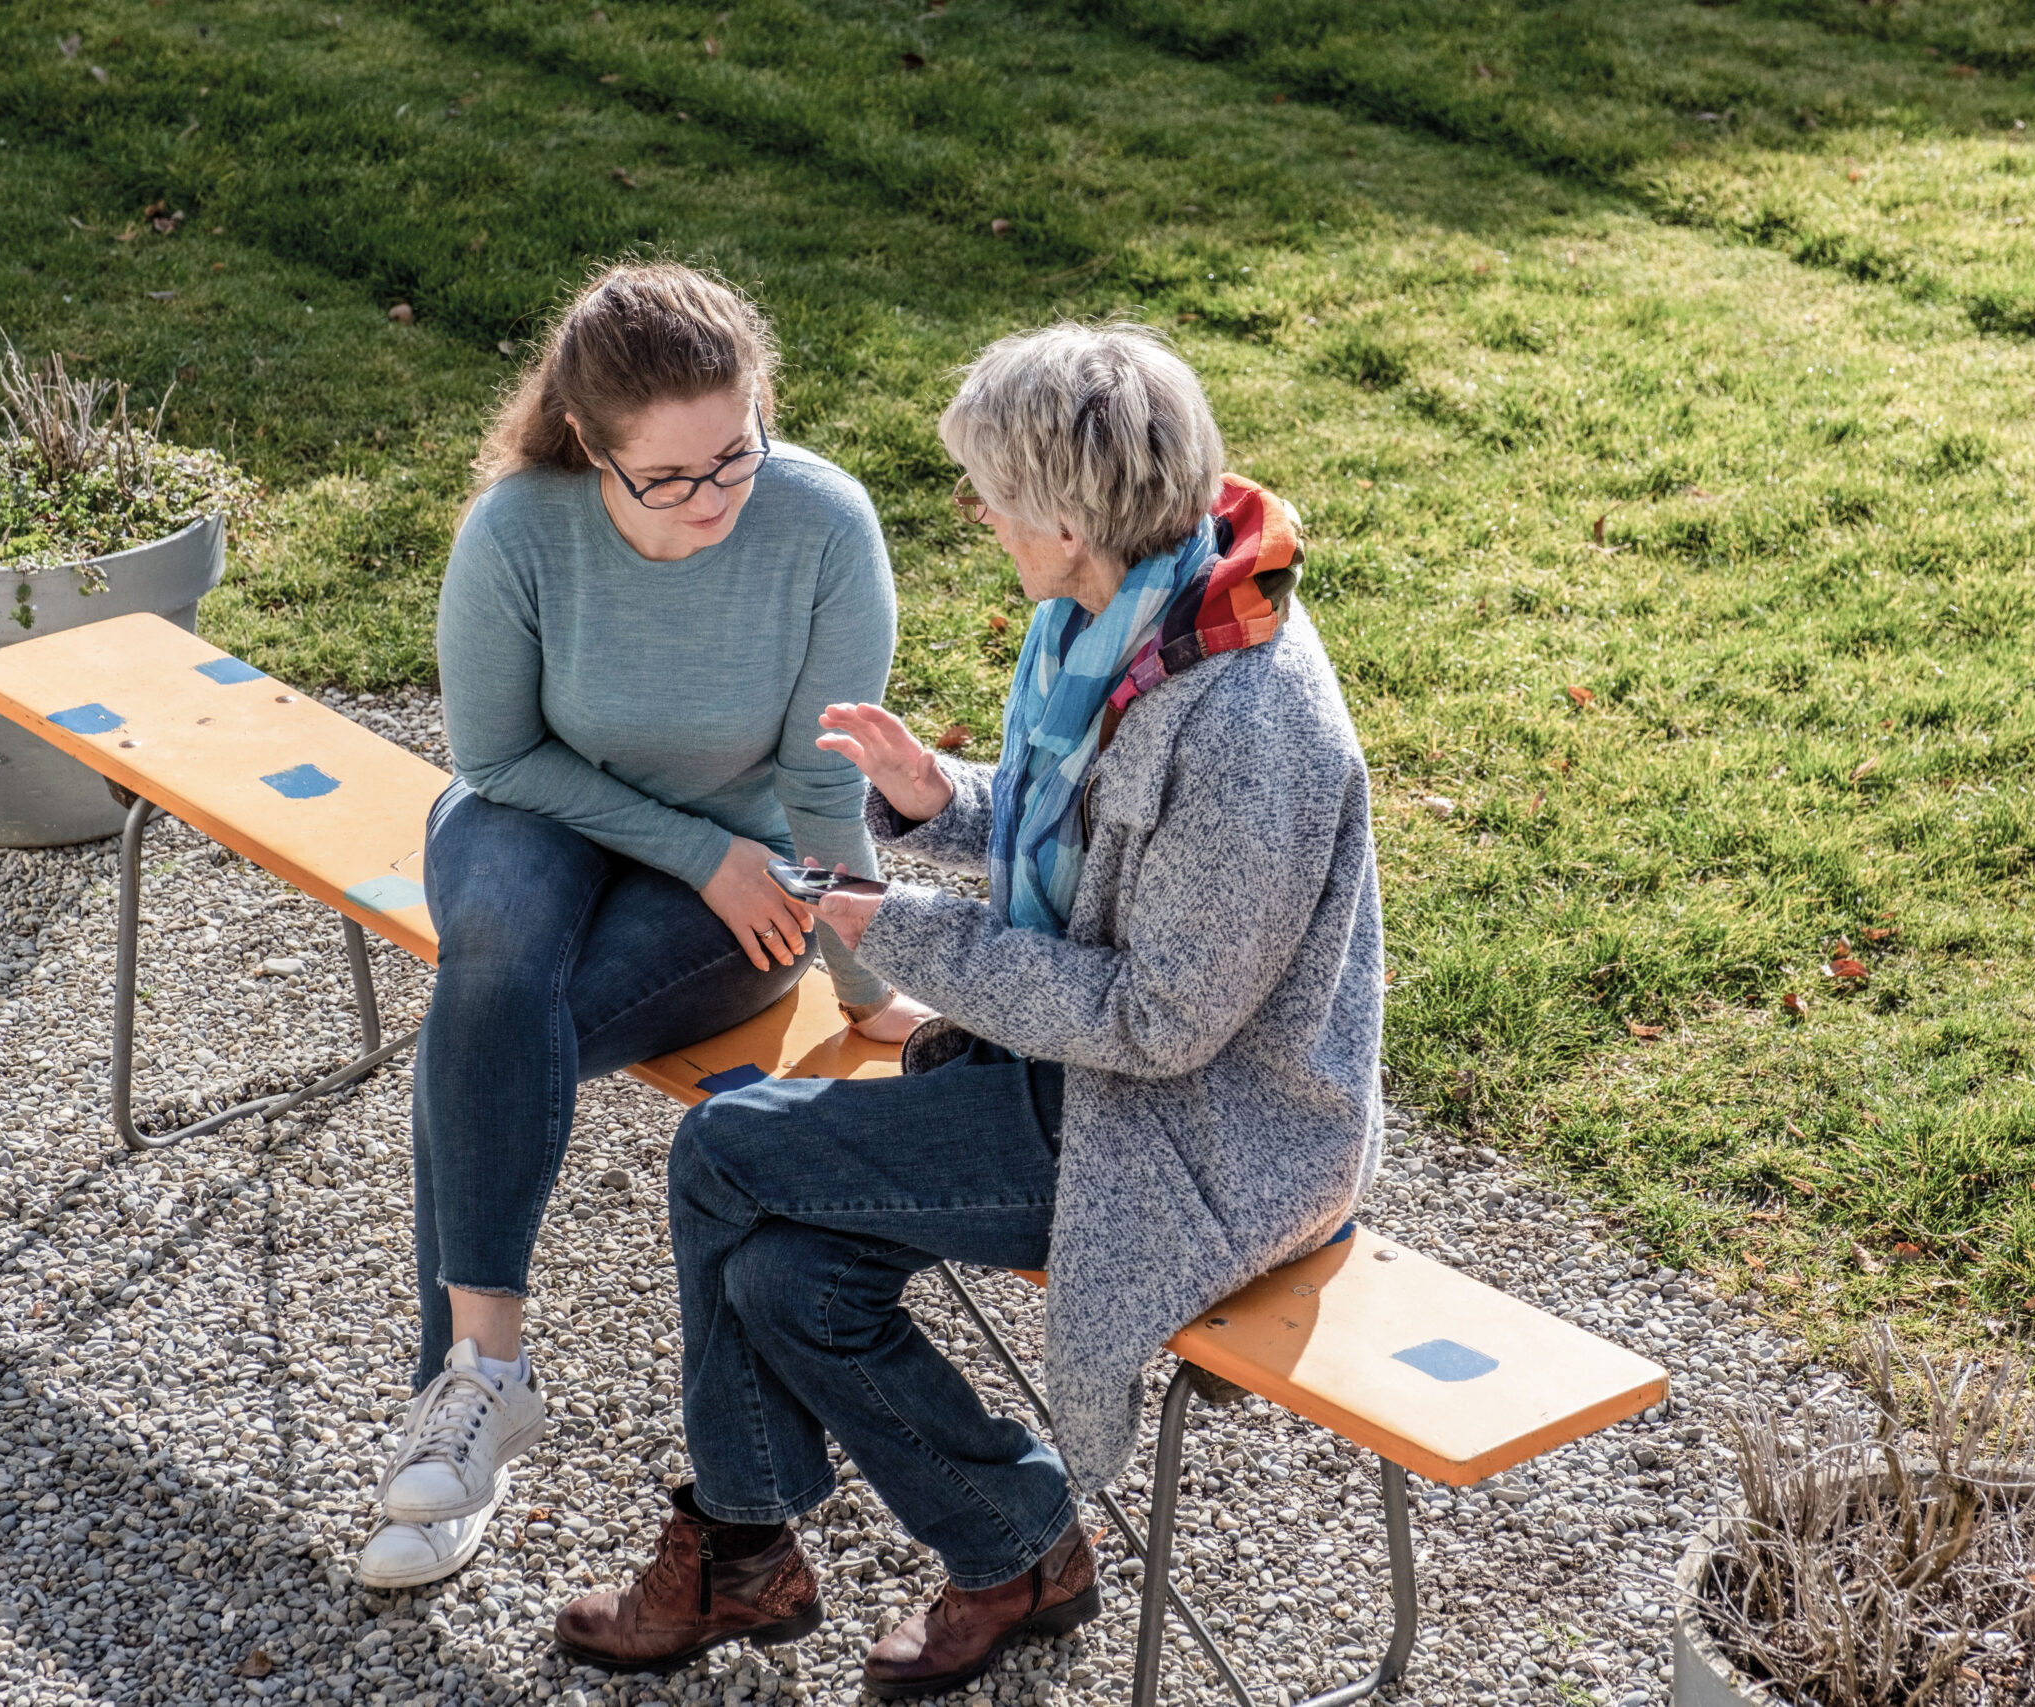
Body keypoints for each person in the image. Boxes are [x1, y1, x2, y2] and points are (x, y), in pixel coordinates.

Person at [553, 321, 1386, 1697]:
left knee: (724, 1149)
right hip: (1067, 1073)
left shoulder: (1246, 723)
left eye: (988, 490)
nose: (977, 513)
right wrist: (944, 801)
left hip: (1194, 1135)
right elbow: (1103, 858)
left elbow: (1164, 1021)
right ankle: (1016, 1546)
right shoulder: (1125, 623)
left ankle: (739, 1551)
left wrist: (917, 937)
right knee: (784, 1277)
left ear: (1064, 515)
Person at [358, 263, 937, 1590]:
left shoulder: (824, 527)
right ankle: (485, 1375)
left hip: (746, 869)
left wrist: (861, 979)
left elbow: (822, 781)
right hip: (537, 810)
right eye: (667, 480)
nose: (712, 500)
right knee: (497, 966)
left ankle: (447, 1411)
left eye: (734, 456)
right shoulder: (520, 528)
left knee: (497, 1028)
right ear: (587, 448)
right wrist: (694, 845)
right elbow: (497, 753)